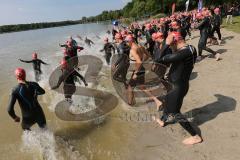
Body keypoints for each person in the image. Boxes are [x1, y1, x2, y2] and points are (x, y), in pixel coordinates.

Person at [154, 32, 203, 145]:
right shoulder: (191, 48)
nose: (171, 48)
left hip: (178, 87)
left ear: (175, 42)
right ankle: (162, 120)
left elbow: (158, 59)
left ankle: (195, 136)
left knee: (175, 112)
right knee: (167, 101)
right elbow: (178, 64)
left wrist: (166, 44)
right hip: (178, 84)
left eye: (171, 45)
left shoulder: (183, 53)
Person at [125, 34, 162, 109]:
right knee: (142, 87)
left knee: (130, 87)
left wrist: (136, 73)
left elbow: (138, 61)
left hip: (137, 71)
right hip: (141, 69)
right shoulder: (140, 47)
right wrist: (142, 62)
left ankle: (130, 104)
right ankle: (157, 101)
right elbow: (148, 55)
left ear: (130, 41)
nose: (126, 43)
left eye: (126, 41)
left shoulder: (132, 50)